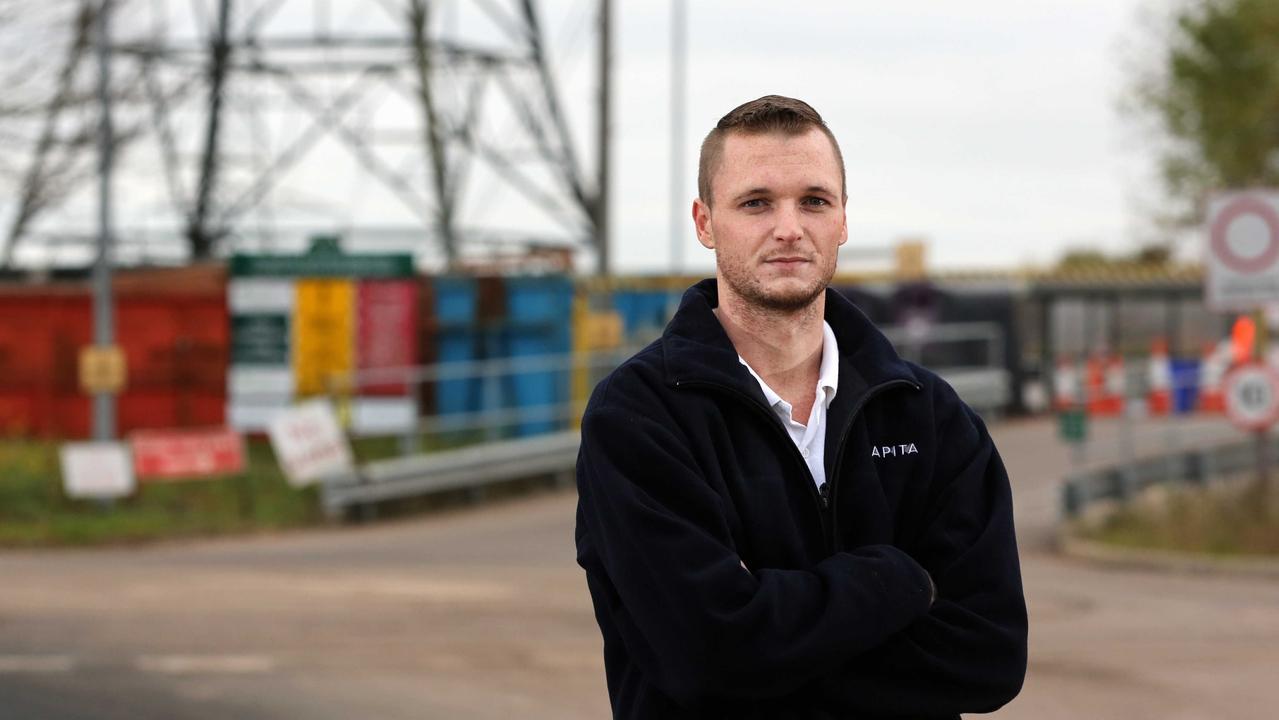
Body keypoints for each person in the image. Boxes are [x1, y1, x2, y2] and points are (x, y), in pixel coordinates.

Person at [574, 95, 1027, 720]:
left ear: (842, 220)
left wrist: (766, 633)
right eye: (756, 202)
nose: (789, 227)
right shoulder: (640, 416)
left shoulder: (928, 416)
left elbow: (989, 656)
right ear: (705, 223)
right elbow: (705, 658)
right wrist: (894, 580)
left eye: (814, 201)